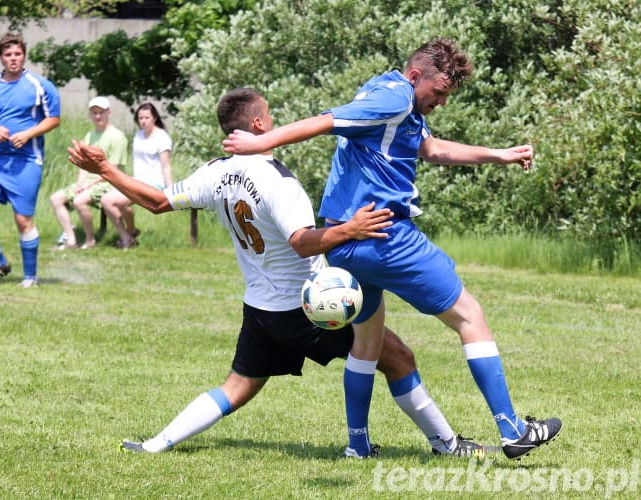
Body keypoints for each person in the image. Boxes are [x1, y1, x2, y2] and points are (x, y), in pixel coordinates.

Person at [68, 87, 487, 458]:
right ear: (257, 123)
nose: (273, 121)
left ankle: (155, 444)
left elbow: (158, 202)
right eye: (269, 115)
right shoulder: (277, 181)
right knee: (397, 357)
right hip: (304, 307)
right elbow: (302, 241)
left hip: (260, 307)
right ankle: (446, 444)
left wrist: (106, 171)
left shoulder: (216, 172)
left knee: (239, 385)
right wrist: (349, 230)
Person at [222, 39, 562, 460]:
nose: (439, 102)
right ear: (416, 76)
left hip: (346, 239)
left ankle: (357, 444)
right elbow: (327, 121)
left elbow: (431, 148)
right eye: (437, 93)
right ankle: (512, 429)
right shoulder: (395, 96)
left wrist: (498, 155)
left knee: (367, 340)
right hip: (385, 234)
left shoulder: (387, 94)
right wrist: (261, 142)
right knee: (470, 316)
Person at [0, 32, 61, 288]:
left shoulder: (39, 85)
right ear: (1, 57)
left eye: (18, 54)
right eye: (8, 55)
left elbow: (54, 118)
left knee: (23, 220)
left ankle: (30, 278)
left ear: (24, 55)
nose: (13, 59)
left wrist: (29, 133)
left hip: (27, 160)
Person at [49, 96, 129, 250]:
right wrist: (80, 184)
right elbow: (83, 165)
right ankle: (71, 239)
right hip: (88, 183)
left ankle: (90, 240)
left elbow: (114, 170)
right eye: (94, 113)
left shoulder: (118, 137)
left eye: (101, 112)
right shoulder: (89, 136)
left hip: (109, 182)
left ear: (108, 113)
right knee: (56, 198)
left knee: (79, 201)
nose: (98, 116)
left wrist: (88, 185)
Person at [100, 102, 172, 249]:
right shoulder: (138, 135)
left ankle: (127, 238)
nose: (143, 121)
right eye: (140, 118)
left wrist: (171, 189)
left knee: (118, 202)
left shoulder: (162, 138)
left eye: (147, 117)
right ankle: (129, 233)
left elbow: (166, 166)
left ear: (155, 118)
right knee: (106, 200)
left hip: (154, 183)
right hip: (136, 180)